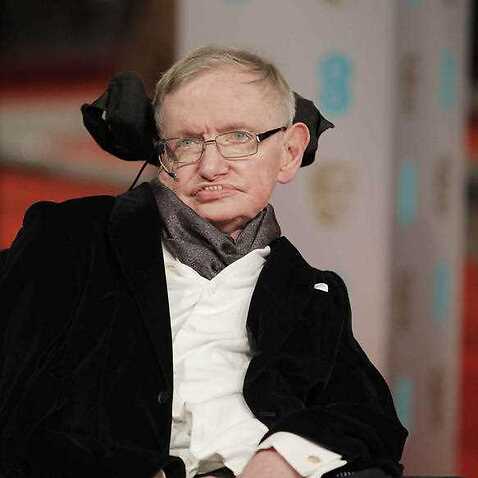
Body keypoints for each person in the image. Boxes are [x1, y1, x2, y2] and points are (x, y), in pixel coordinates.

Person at [0, 46, 407, 478]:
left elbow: (369, 417)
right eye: (187, 143)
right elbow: (14, 400)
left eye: (239, 138)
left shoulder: (312, 293)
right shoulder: (73, 239)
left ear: (289, 152)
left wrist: (282, 458)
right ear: (161, 154)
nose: (212, 167)